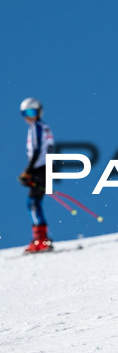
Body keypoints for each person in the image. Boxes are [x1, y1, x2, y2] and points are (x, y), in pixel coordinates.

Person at [19, 97, 55, 253]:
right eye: (26, 113)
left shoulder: (37, 127)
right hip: (44, 168)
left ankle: (41, 240)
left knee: (33, 202)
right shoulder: (42, 126)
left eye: (32, 112)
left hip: (41, 168)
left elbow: (37, 150)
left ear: (39, 113)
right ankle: (41, 239)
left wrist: (28, 170)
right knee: (34, 202)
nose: (29, 116)